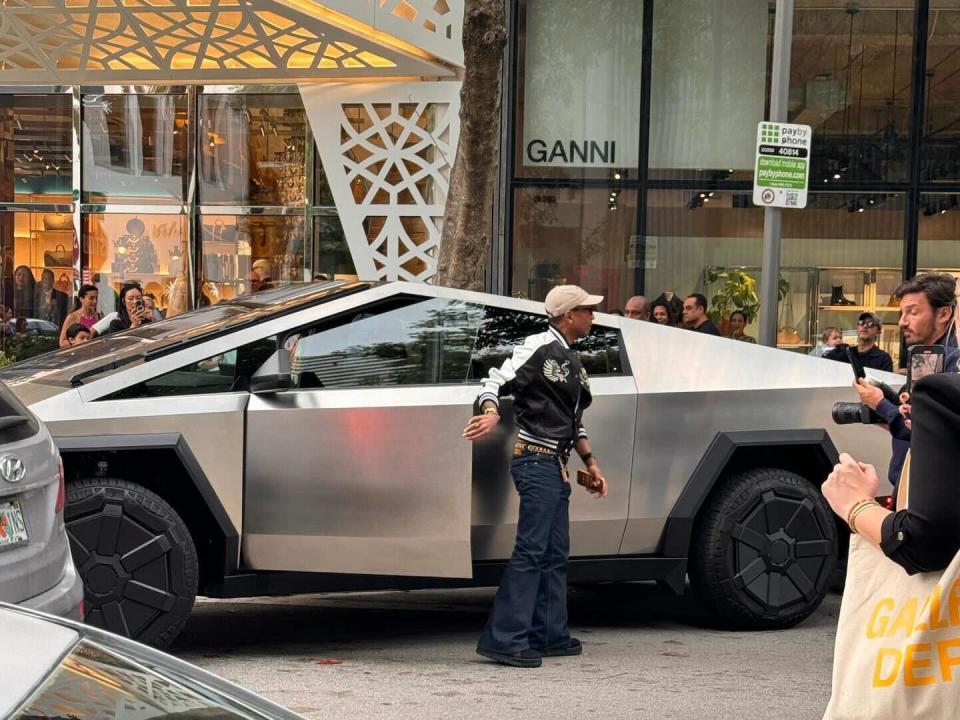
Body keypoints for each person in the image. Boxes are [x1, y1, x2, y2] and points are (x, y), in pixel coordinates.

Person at [463, 284, 608, 669]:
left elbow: (573, 422)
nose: (593, 315)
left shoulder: (573, 360)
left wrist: (590, 463)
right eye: (587, 310)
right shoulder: (537, 345)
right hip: (534, 460)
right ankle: (505, 639)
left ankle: (550, 635)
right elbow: (493, 380)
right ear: (568, 315)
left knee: (555, 553)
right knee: (532, 550)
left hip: (555, 466)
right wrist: (492, 411)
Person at [851, 273, 958, 489]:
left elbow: (930, 432)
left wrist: (881, 404)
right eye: (902, 313)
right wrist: (890, 406)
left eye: (913, 312)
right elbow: (911, 424)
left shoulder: (952, 367)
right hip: (909, 487)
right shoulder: (925, 360)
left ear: (944, 314)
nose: (902, 322)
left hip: (930, 492)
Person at [823, 312, 893, 372]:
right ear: (857, 327)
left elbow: (883, 386)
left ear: (878, 331)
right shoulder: (844, 352)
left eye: (871, 324)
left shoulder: (883, 359)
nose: (865, 326)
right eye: (861, 323)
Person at [59, 284, 100, 348]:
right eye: (91, 298)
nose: (95, 301)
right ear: (81, 299)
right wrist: (78, 342)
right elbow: (62, 342)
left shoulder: (98, 316)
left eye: (96, 298)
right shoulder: (72, 317)